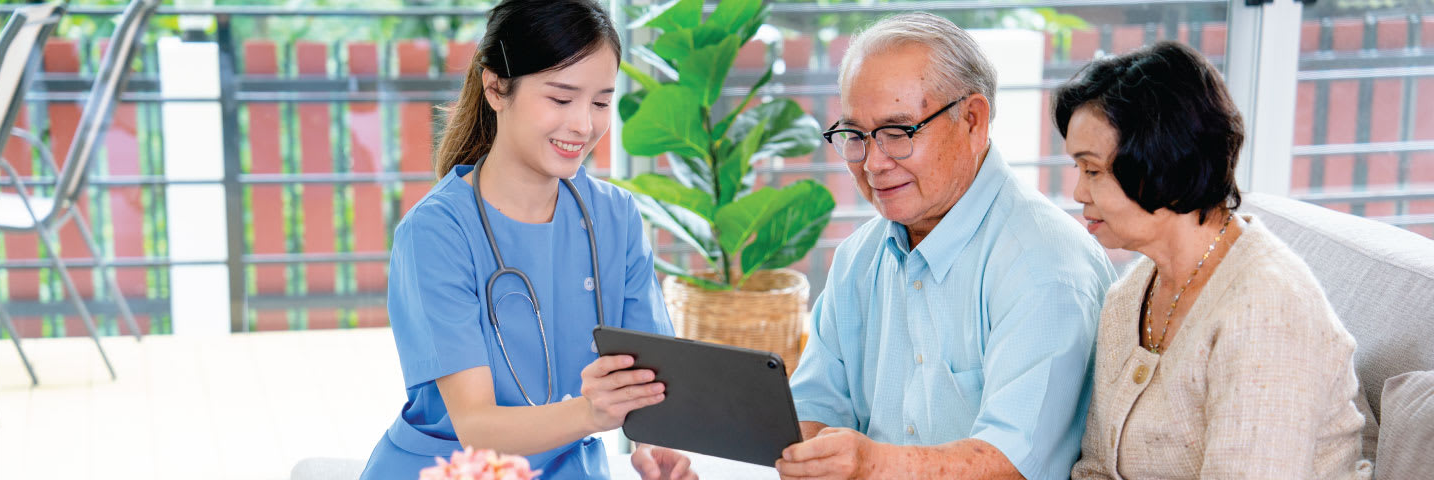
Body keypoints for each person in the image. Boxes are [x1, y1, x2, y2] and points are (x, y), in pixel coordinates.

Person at [359, 1, 695, 478]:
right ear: (495, 87)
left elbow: (649, 374)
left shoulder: (615, 217)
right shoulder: (435, 232)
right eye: (560, 99)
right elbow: (475, 425)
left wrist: (653, 443)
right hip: (449, 468)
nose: (583, 124)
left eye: (601, 101)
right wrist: (590, 414)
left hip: (566, 468)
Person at [777, 13, 1116, 480]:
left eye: (897, 133)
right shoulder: (858, 258)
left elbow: (1013, 465)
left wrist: (870, 464)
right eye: (856, 136)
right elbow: (815, 409)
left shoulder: (1046, 266)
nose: (873, 163)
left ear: (973, 121)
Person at [1057, 41, 1372, 479]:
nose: (1078, 193)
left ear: (1158, 165)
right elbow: (1094, 467)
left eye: (1091, 170)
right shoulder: (1130, 294)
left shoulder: (1269, 307)